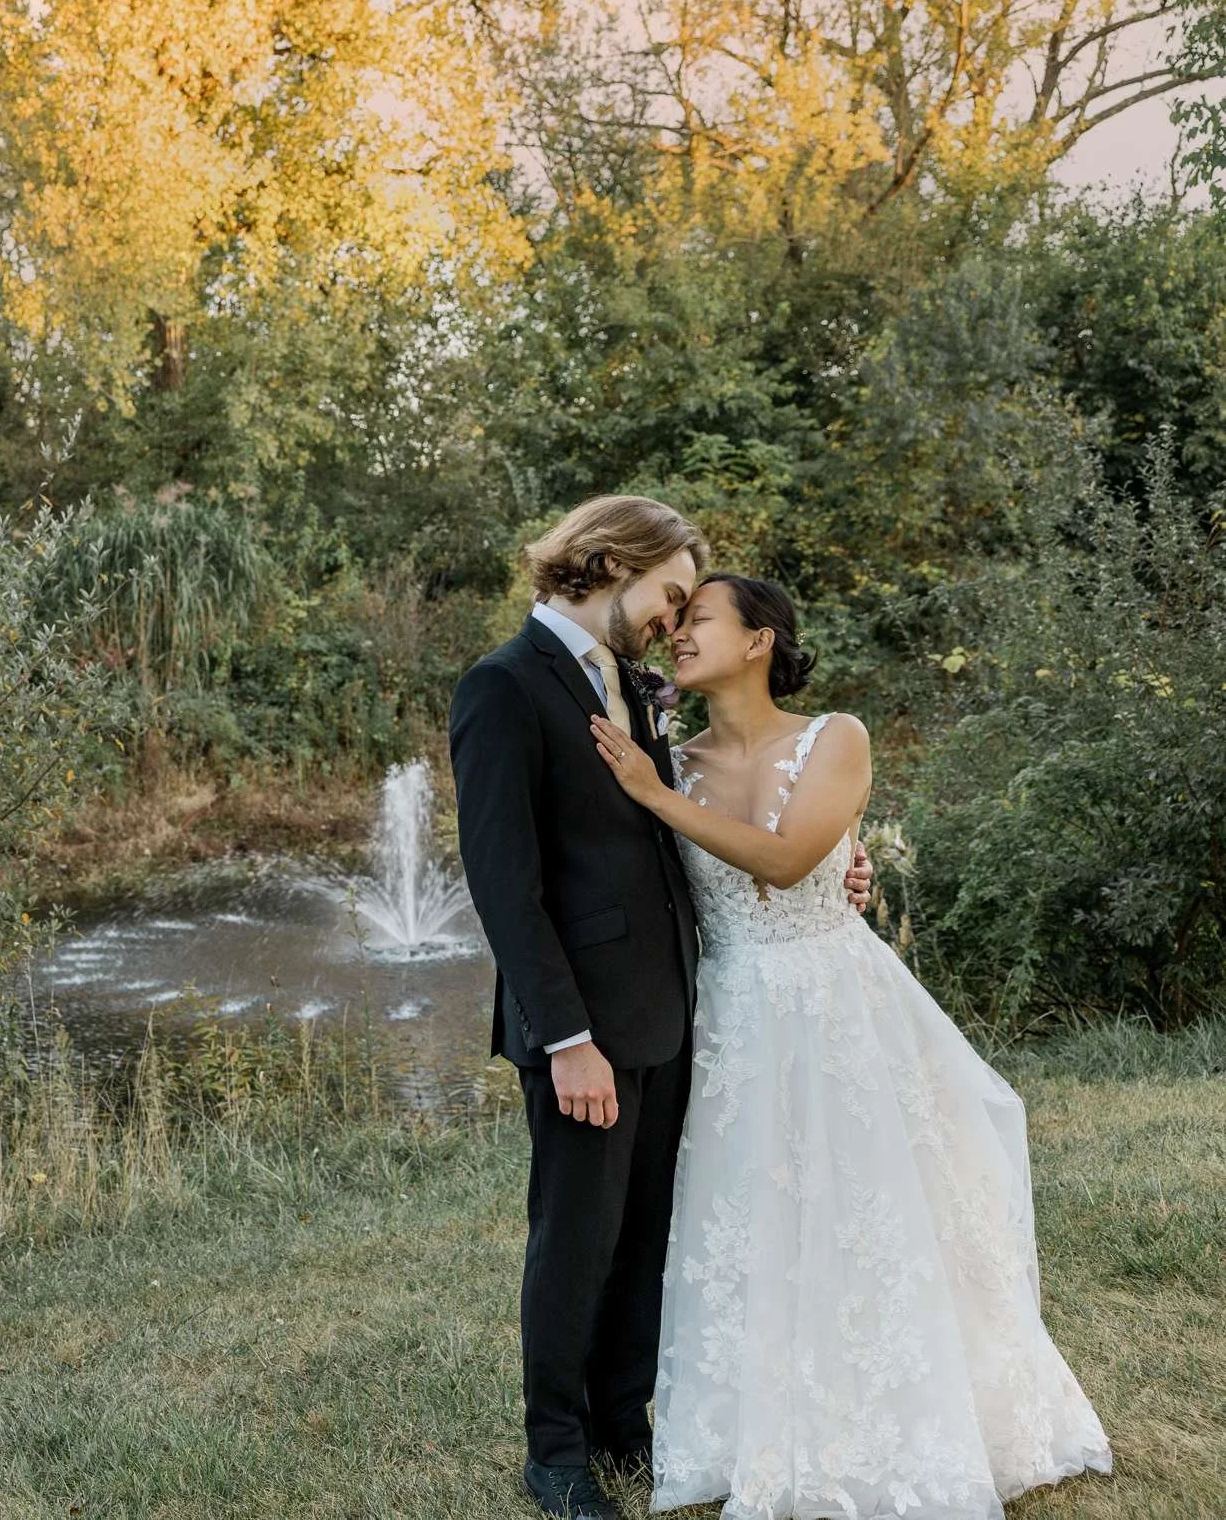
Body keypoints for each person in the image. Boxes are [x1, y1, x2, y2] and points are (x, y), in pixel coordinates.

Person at [587, 572, 1110, 1520]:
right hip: (735, 1019)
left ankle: (917, 1422)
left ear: (758, 641)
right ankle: (764, 1428)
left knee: (873, 1209)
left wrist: (653, 798)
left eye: (698, 619)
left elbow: (788, 866)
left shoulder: (836, 736)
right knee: (755, 1217)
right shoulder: (671, 756)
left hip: (841, 1007)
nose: (677, 637)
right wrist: (652, 786)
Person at [450, 498, 875, 1520]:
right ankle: (553, 1453)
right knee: (576, 1235)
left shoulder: (636, 692)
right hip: (583, 1030)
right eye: (669, 595)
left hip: (676, 1010)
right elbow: (506, 886)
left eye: (690, 607)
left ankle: (622, 1424)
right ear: (605, 562)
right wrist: (565, 1039)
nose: (673, 623)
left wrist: (834, 866)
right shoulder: (503, 688)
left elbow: (684, 833)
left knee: (647, 1234)